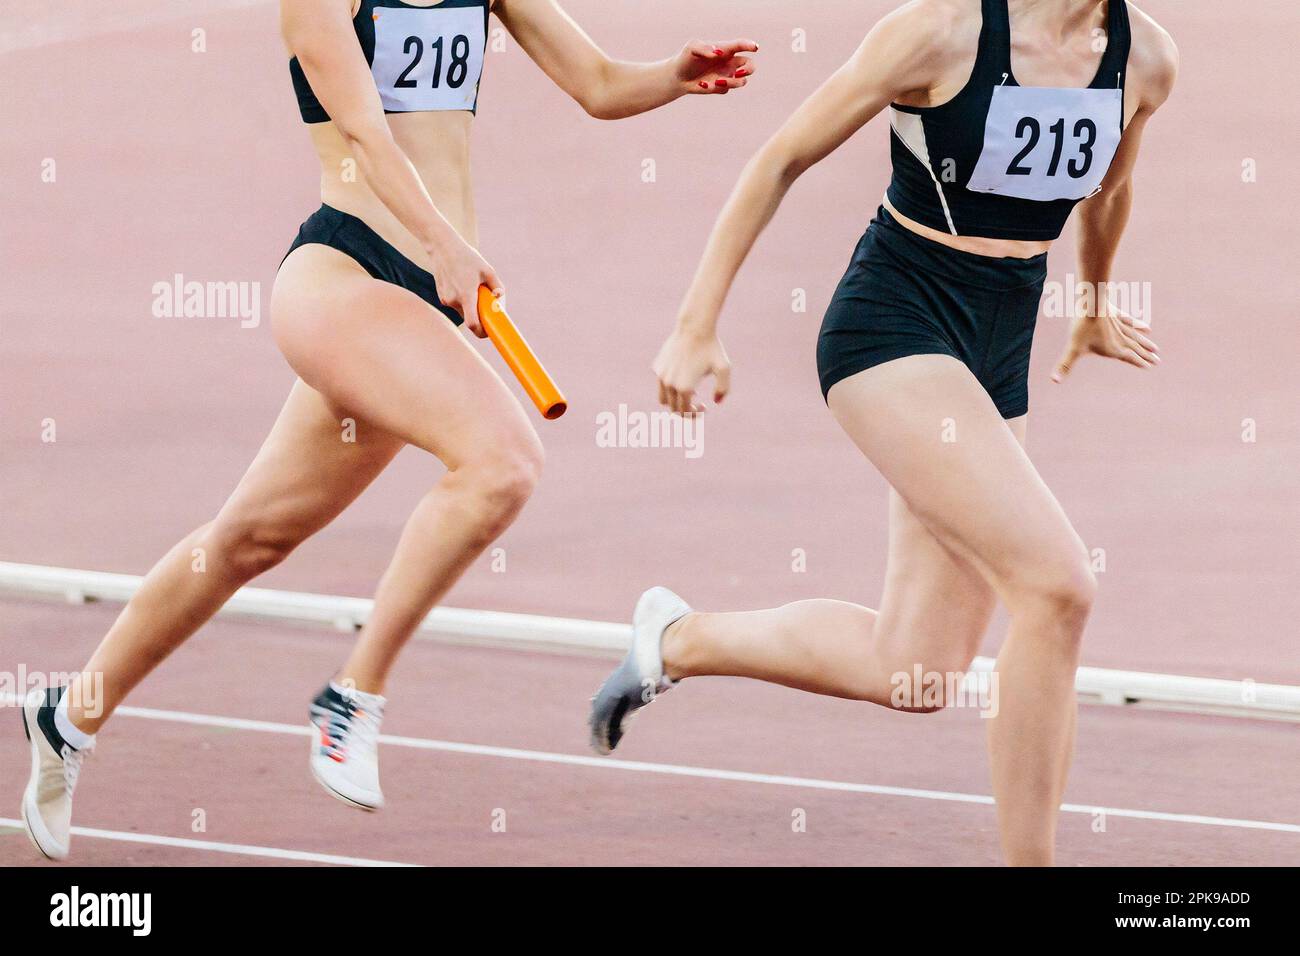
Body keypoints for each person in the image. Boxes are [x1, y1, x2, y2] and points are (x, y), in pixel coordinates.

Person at [20, 0, 758, 861]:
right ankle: (352, 696)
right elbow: (367, 134)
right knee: (503, 462)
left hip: (423, 294)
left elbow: (595, 83)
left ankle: (67, 717)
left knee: (249, 539)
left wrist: (674, 74)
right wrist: (445, 244)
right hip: (340, 276)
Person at [590, 0, 1177, 866]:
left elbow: (1112, 186)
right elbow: (780, 157)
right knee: (1057, 587)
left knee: (919, 670)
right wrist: (694, 324)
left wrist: (1090, 300)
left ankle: (675, 640)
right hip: (895, 324)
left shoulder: (1144, 58)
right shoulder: (940, 32)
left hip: (998, 339)